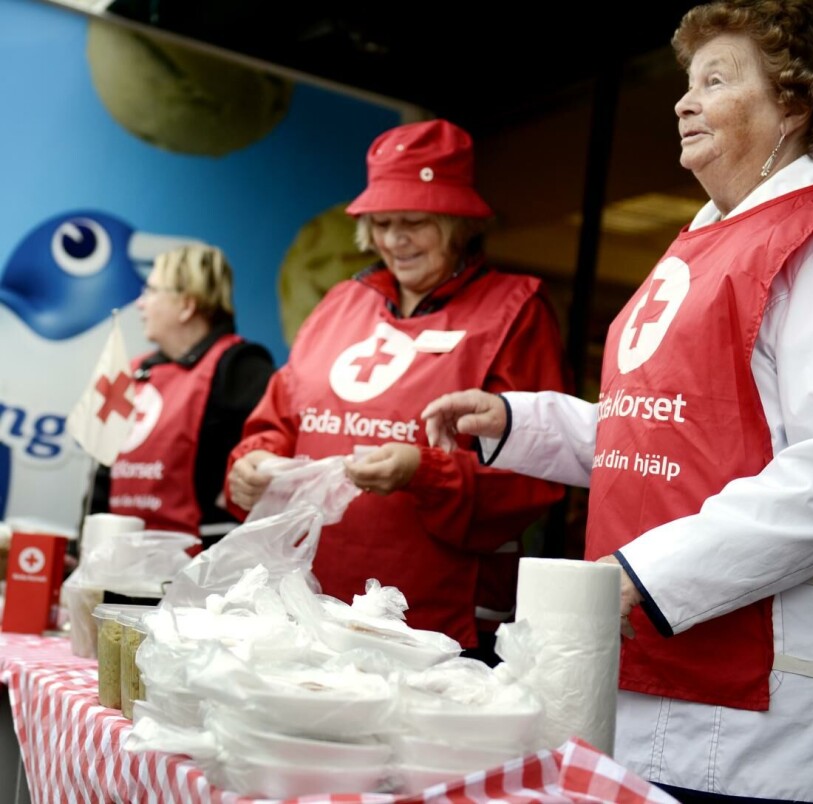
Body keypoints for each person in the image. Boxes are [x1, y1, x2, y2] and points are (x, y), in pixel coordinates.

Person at [421, 2, 813, 801]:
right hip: (652, 685)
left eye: (716, 79)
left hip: (777, 727)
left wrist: (642, 575)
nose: (683, 100)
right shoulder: (700, 246)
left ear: (798, 102)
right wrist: (520, 421)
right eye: (686, 81)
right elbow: (661, 434)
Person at [225, 118, 571, 663]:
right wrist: (251, 462)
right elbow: (279, 420)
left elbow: (536, 474)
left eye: (415, 222)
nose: (395, 240)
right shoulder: (340, 302)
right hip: (303, 606)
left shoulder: (514, 310)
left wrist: (425, 471)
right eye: (381, 223)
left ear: (457, 223)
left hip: (434, 625)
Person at [91, 244, 274, 553]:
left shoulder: (242, 368)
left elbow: (258, 476)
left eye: (150, 291)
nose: (140, 303)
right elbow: (103, 472)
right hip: (120, 563)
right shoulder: (134, 371)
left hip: (200, 573)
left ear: (186, 305)